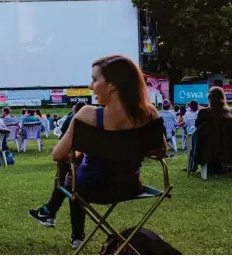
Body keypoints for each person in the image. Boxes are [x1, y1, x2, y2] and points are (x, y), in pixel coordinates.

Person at [50, 55, 165, 249]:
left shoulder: (87, 114)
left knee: (70, 171)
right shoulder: (150, 113)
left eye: (95, 79)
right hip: (130, 187)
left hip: (89, 190)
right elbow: (160, 152)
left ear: (112, 85)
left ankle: (58, 218)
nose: (90, 85)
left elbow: (56, 155)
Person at [28, 101, 86, 228]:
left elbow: (58, 153)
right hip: (125, 186)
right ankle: (49, 213)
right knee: (72, 177)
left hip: (89, 183)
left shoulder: (73, 119)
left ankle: (48, 212)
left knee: (70, 179)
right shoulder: (108, 122)